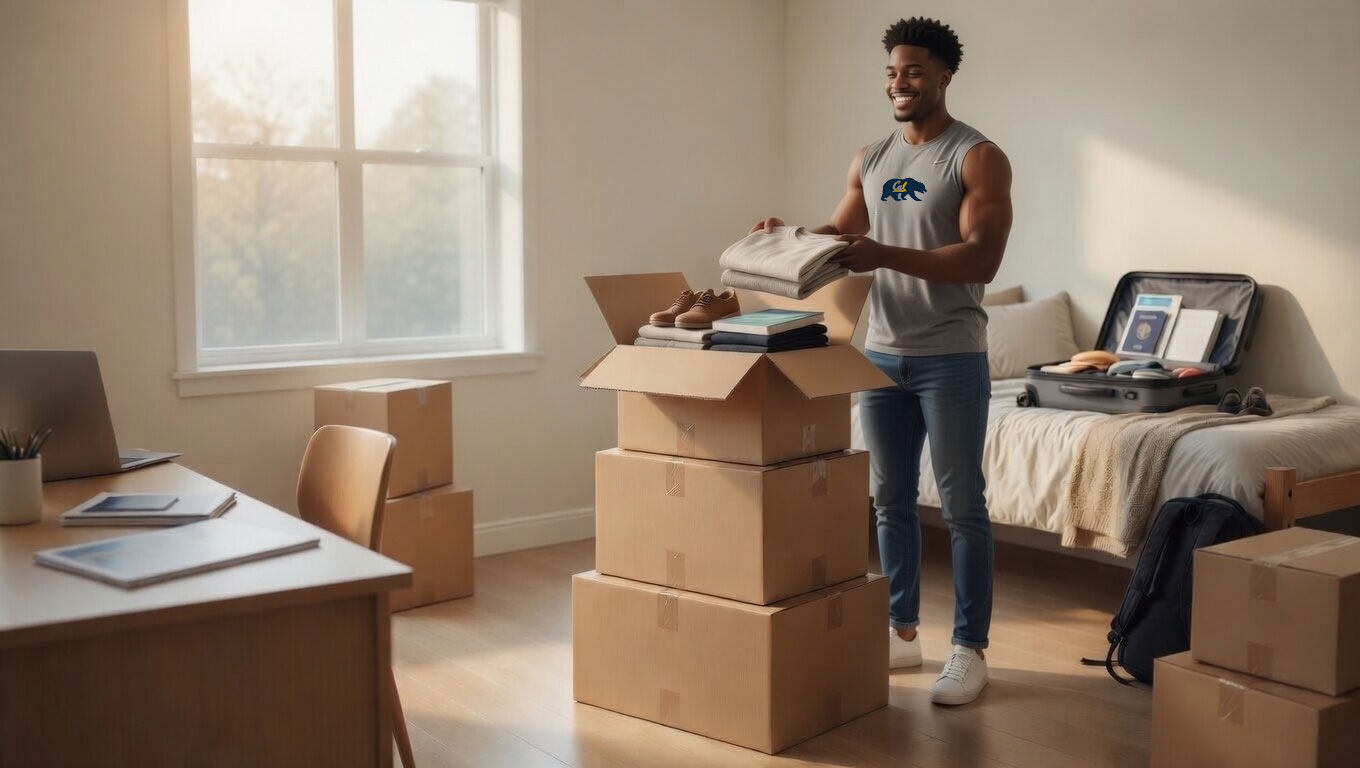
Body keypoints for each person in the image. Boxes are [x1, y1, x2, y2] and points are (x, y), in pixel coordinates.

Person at [749, 16, 1012, 706]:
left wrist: (885, 254)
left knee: (961, 507)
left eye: (915, 71)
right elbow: (841, 234)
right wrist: (788, 235)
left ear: (945, 76)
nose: (900, 83)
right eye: (893, 71)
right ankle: (902, 635)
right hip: (883, 356)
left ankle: (968, 649)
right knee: (889, 502)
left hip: (951, 357)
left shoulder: (976, 157)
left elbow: (983, 257)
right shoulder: (872, 158)